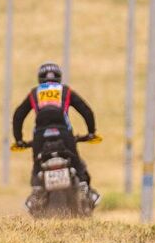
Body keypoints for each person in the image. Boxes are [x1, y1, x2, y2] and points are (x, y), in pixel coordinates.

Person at [12, 61, 97, 196]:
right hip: (64, 132)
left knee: (37, 164)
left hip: (40, 134)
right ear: (59, 77)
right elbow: (85, 110)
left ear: (40, 78)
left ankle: (37, 191)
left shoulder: (35, 93)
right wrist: (91, 132)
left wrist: (19, 140)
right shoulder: (65, 91)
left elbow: (18, 115)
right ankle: (82, 187)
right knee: (75, 161)